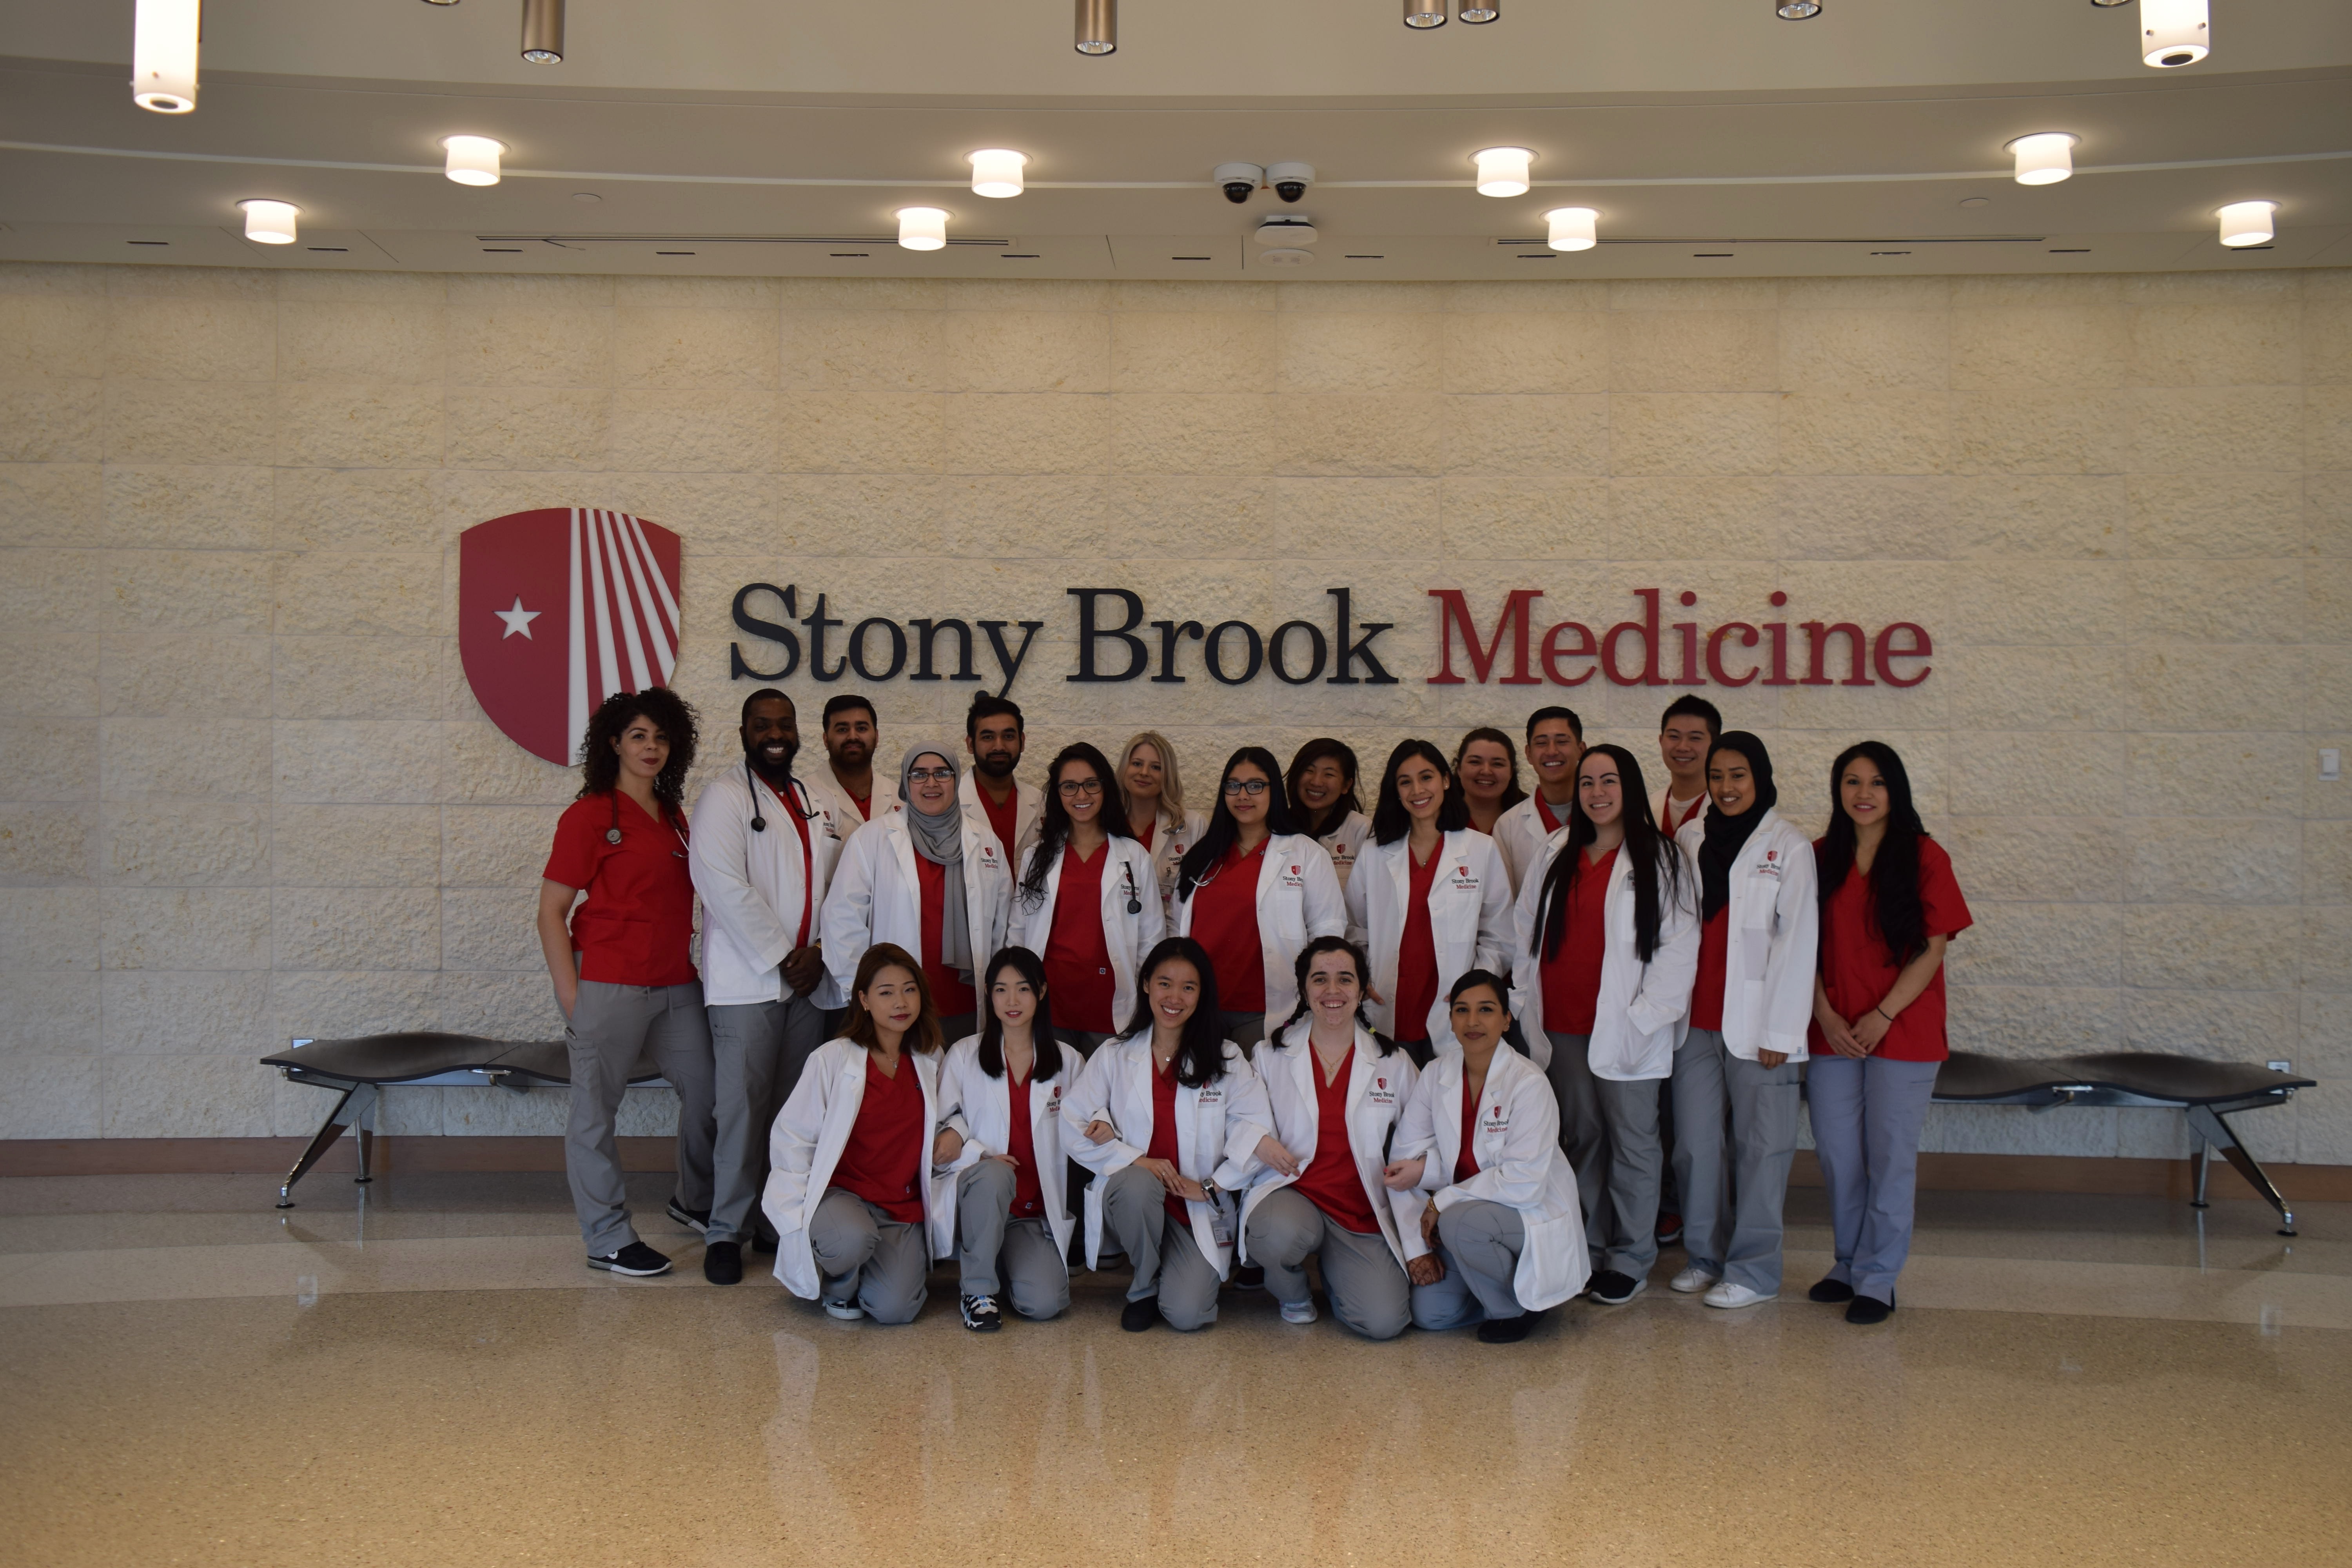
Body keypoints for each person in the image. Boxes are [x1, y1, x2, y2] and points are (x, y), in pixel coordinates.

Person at [535, 686, 717, 1279]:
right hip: (608, 985)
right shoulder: (589, 816)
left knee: (713, 1093)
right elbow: (551, 912)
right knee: (594, 1112)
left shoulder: (675, 817)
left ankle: (694, 1200)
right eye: (638, 735)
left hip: (675, 985)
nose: (651, 747)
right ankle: (608, 1237)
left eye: (662, 737)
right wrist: (573, 995)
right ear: (614, 742)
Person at [1510, 743, 1700, 1307]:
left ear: (1631, 788)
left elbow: (1679, 947)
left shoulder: (1661, 858)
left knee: (1634, 1143)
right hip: (1561, 1027)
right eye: (1588, 783)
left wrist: (1646, 1018)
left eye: (1608, 781)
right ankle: (1588, 1247)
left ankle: (1632, 1257)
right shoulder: (1557, 851)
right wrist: (1524, 998)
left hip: (1626, 1029)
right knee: (1582, 1140)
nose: (1596, 793)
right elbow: (1525, 929)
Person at [1807, 741, 1973, 1326]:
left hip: (1901, 1032)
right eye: (1851, 782)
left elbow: (1934, 946)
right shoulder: (1820, 856)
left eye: (1877, 782)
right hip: (1834, 1033)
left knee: (1890, 1157)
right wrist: (1826, 1016)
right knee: (1839, 1156)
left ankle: (1879, 1278)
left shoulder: (1925, 856)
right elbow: (1799, 950)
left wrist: (1883, 1015)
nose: (1864, 793)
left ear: (1895, 790)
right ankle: (1848, 1263)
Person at [686, 688, 846, 1285]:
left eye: (784, 724)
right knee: (740, 1110)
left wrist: (822, 954)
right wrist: (785, 957)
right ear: (745, 731)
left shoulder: (813, 799)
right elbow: (723, 886)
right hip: (749, 982)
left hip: (807, 980)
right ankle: (725, 1230)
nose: (775, 734)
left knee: (789, 1111)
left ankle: (772, 1222)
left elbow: (838, 888)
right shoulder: (724, 799)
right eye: (762, 725)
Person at [1666, 732, 1817, 1309]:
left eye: (1739, 776)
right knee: (1697, 1147)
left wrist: (1782, 1031)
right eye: (1718, 776)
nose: (1727, 788)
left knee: (1761, 1148)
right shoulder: (1689, 837)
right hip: (1695, 1022)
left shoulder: (1789, 846)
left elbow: (1798, 943)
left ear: (1760, 778)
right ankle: (1706, 1257)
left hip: (1759, 1029)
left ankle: (1753, 1271)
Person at [1062, 936, 1272, 1332]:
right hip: (1136, 1200)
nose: (1175, 996)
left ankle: (1168, 1272)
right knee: (1137, 1186)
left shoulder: (1226, 1058)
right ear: (1146, 985)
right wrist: (1135, 1160)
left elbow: (1258, 1132)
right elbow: (1070, 1123)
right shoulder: (1115, 1054)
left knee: (1188, 1315)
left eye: (1188, 987)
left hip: (1193, 1204)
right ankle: (1143, 1285)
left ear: (1201, 994)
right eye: (1165, 983)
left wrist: (1213, 1186)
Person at [1385, 971, 1587, 1343]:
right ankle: (1510, 1287)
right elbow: (1401, 1163)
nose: (1473, 1022)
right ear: (1451, 1019)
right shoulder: (1436, 1074)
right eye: (1462, 1010)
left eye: (1487, 1010)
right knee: (1432, 1315)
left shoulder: (1528, 1083)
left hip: (1523, 1215)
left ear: (1507, 1020)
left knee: (1461, 1223)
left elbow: (1523, 1184)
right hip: (1467, 1223)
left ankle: (1518, 1308)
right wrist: (1417, 1247)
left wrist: (1442, 1199)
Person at [761, 944, 957, 1324]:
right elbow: (793, 1139)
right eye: (886, 993)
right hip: (843, 1197)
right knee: (851, 1240)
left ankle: (866, 1271)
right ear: (864, 1000)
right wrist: (793, 1219)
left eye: (909, 989)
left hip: (900, 1207)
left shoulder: (930, 1057)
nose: (900, 1002)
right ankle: (841, 1282)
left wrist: (959, 1133)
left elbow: (957, 1113)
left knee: (896, 1309)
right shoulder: (832, 1059)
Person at [1238, 936, 1417, 1339]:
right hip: (1293, 1195)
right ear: (1304, 990)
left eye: (1345, 979)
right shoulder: (1271, 1056)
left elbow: (1425, 1136)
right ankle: (1294, 1293)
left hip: (1359, 1210)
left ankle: (1341, 1273)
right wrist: (1258, 1141)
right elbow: (1237, 1120)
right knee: (1273, 1235)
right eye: (1320, 979)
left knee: (1384, 1322)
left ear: (1362, 989)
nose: (1332, 991)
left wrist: (1421, 1167)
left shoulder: (1393, 1062)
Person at [821, 742, 1013, 1042]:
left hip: (966, 1001)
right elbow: (842, 920)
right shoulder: (873, 838)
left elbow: (1004, 925)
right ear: (905, 783)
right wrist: (864, 995)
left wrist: (1003, 990)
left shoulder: (986, 841)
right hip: (893, 1007)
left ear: (957, 779)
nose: (931, 783)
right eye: (919, 775)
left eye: (942, 773)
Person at [932, 948, 1080, 1330]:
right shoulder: (965, 1054)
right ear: (988, 993)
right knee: (995, 1176)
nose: (1012, 1001)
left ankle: (1000, 1258)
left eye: (1023, 989)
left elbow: (1088, 1120)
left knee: (1046, 1303)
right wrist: (978, 1153)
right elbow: (941, 1127)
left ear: (1042, 992)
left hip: (1029, 1214)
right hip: (976, 1201)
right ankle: (977, 1289)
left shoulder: (1068, 1061)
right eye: (1001, 990)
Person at [1344, 740, 1513, 1062]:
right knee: (1391, 1100)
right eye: (1405, 782)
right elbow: (1354, 926)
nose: (1417, 790)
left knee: (1447, 1101)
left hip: (1455, 1000)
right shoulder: (1375, 852)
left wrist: (1476, 985)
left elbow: (1500, 934)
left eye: (1426, 777)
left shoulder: (1481, 849)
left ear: (1446, 781)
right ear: (1395, 791)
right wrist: (1361, 976)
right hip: (1388, 1000)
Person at [1171, 746, 1347, 1051]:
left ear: (1274, 791)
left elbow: (1328, 932)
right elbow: (1176, 926)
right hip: (1200, 1007)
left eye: (1255, 786)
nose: (1243, 795)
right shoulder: (1202, 856)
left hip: (1271, 1008)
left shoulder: (1306, 854)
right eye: (1233, 785)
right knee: (1203, 1096)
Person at [1007, 743, 1163, 1055]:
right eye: (1070, 787)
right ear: (1057, 794)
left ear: (1105, 788)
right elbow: (1018, 934)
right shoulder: (1036, 858)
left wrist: (1148, 1001)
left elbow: (1151, 939)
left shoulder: (1133, 857)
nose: (1081, 796)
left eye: (1091, 785)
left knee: (1106, 1098)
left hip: (1111, 1003)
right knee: (1052, 1096)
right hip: (1050, 1001)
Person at [1117, 730, 1205, 926]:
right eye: (1137, 763)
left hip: (1173, 939)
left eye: (1156, 767)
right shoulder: (1105, 825)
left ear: (1168, 775)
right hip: (1118, 939)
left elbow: (1203, 897)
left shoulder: (1193, 826)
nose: (1145, 773)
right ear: (1124, 768)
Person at [1493, 707, 1584, 895]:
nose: (1552, 751)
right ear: (1528, 754)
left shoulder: (1606, 816)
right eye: (1541, 743)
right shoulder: (1508, 825)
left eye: (1562, 741)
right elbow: (1505, 905)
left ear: (1581, 750)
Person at [960, 693, 1043, 865]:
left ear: (1022, 741)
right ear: (970, 744)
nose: (999, 746)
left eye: (1008, 736)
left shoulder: (1043, 803)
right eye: (988, 737)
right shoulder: (950, 803)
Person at [1287, 738, 1372, 893]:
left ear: (1346, 785)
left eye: (1329, 774)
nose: (1317, 782)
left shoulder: (1361, 830)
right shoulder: (1279, 827)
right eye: (1309, 770)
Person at [802, 695, 898, 828]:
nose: (853, 736)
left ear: (876, 737)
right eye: (842, 730)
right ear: (826, 740)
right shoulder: (804, 796)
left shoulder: (900, 798)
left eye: (862, 728)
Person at [1653, 695, 1720, 837]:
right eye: (1674, 736)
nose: (1683, 747)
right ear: (1661, 741)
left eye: (1695, 738)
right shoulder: (1646, 809)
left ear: (1715, 745)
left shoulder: (1728, 808)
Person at [1452, 727, 1528, 837]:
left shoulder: (1531, 817)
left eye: (1497, 764)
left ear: (1511, 772)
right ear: (1459, 769)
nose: (1486, 771)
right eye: (1475, 762)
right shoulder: (1439, 816)